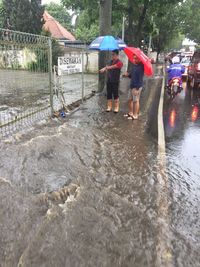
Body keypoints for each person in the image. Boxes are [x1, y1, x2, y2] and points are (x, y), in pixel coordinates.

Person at [123, 55, 144, 120]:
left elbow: (140, 79)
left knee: (136, 101)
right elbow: (132, 76)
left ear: (140, 59)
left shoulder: (141, 67)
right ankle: (131, 112)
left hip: (136, 87)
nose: (134, 60)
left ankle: (135, 115)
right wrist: (128, 75)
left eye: (136, 58)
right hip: (132, 86)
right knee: (130, 100)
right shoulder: (134, 66)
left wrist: (137, 89)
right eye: (134, 58)